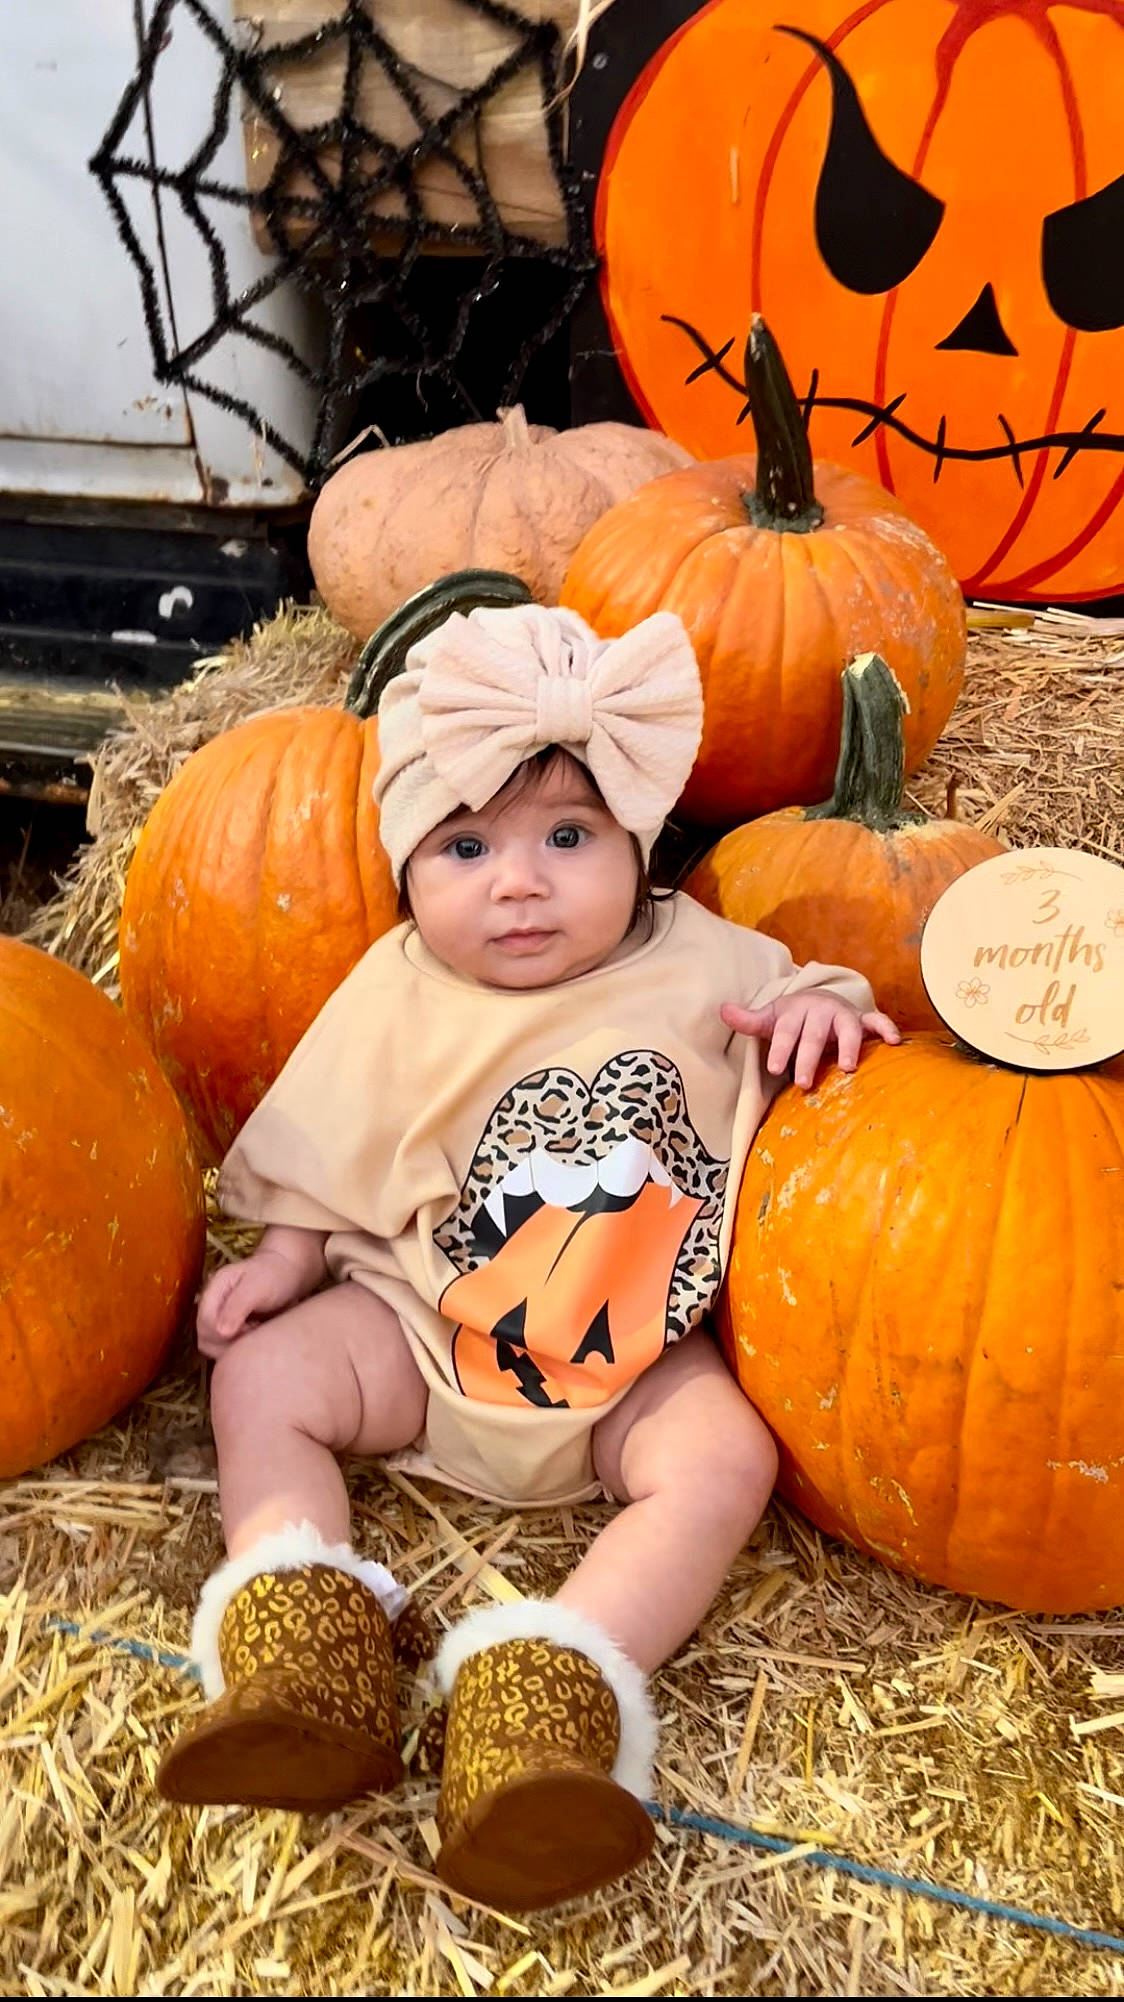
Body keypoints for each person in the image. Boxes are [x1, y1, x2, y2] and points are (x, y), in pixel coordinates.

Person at [156, 592, 897, 1912]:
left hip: (630, 1368)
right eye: (466, 847)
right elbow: (335, 1130)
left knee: (725, 1455)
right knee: (260, 1380)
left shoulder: (706, 959)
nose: (520, 880)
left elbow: (815, 988)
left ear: (641, 845)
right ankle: (302, 1629)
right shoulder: (398, 985)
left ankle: (554, 1689)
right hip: (425, 1336)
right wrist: (283, 1261)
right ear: (406, 870)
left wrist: (817, 1019)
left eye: (569, 835)